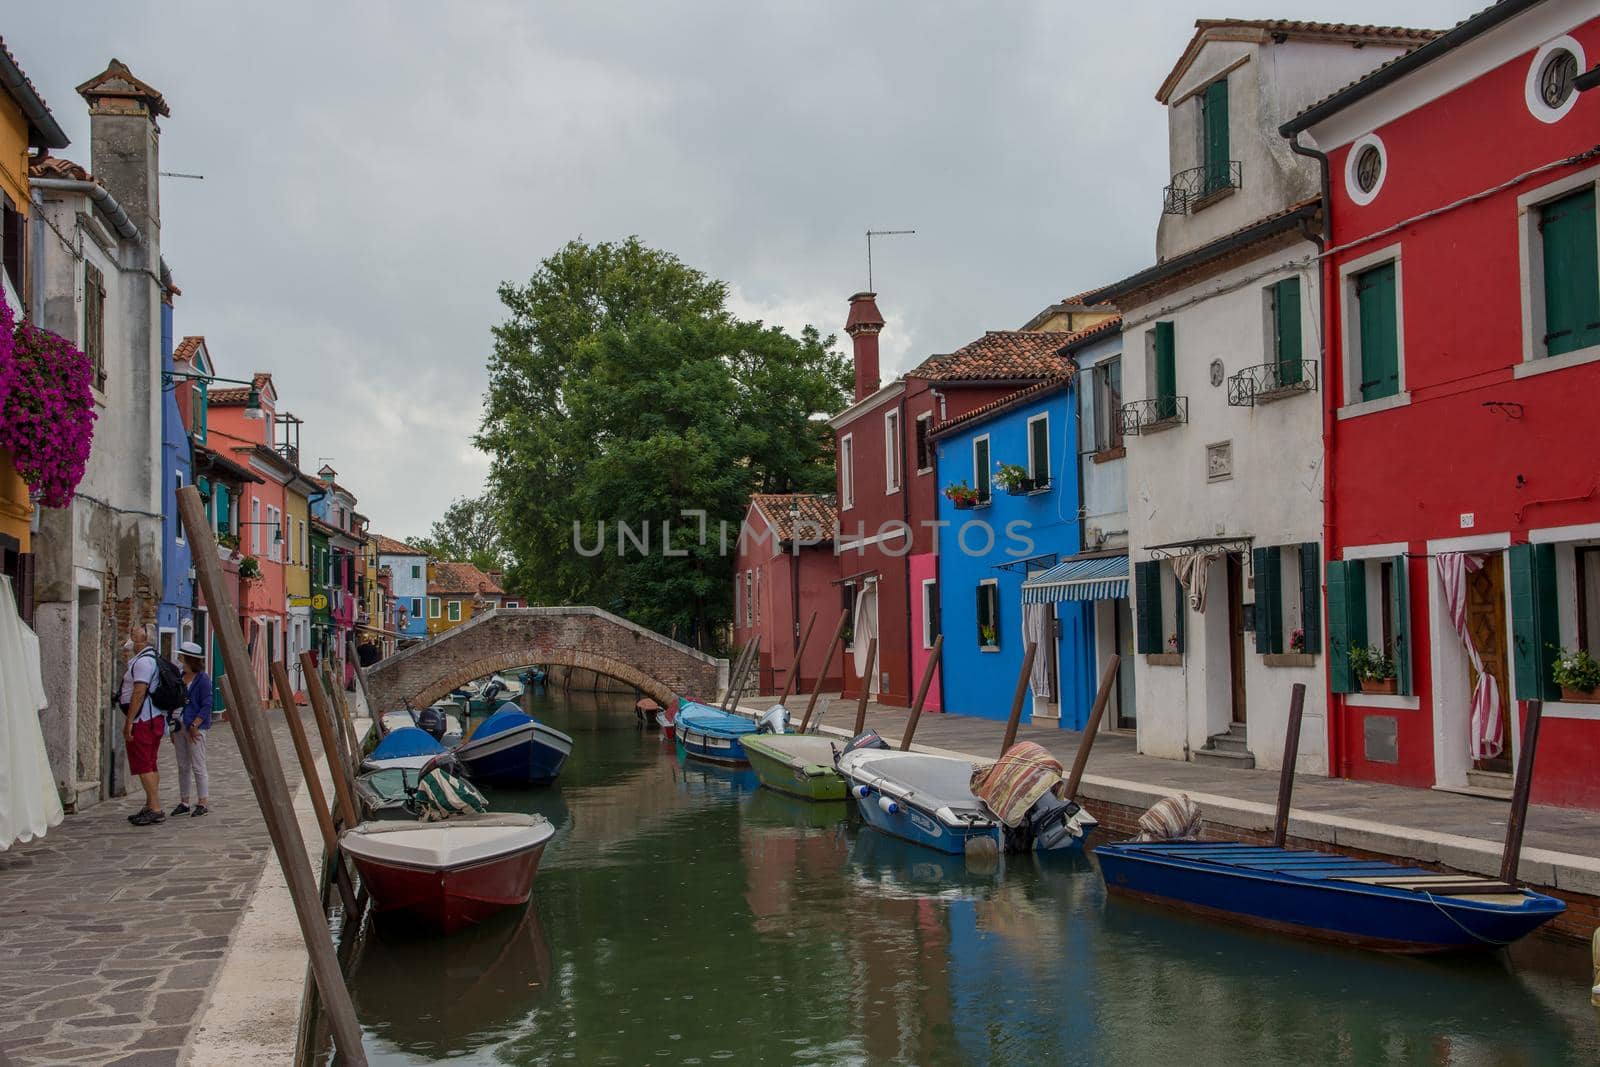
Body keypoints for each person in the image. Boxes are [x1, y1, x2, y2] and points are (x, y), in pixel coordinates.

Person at [120, 624, 167, 826]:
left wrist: (129, 721)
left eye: (135, 634)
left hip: (143, 719)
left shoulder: (143, 663)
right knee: (150, 762)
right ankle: (150, 804)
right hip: (153, 718)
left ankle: (155, 807)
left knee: (144, 764)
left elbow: (139, 692)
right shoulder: (146, 660)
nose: (131, 637)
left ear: (144, 639)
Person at [171, 641, 212, 817]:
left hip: (194, 727)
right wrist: (172, 726)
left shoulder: (202, 679)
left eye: (182, 657)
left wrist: (195, 724)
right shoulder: (180, 677)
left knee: (198, 765)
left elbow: (207, 704)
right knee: (182, 765)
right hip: (179, 726)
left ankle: (202, 801)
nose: (179, 659)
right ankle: (184, 801)